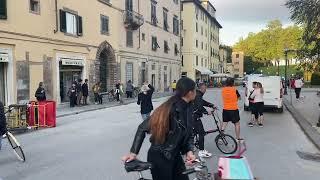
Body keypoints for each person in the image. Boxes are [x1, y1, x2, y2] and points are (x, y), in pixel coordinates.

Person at [122, 77, 197, 180]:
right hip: (160, 157)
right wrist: (133, 153)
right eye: (195, 90)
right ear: (189, 92)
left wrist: (189, 151)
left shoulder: (188, 108)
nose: (196, 92)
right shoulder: (168, 109)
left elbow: (188, 133)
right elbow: (142, 128)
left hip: (174, 156)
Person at [193, 83, 215, 158]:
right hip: (194, 117)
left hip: (192, 117)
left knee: (193, 133)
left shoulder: (197, 94)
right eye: (205, 89)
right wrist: (206, 112)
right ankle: (201, 151)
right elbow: (200, 106)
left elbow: (202, 102)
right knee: (201, 133)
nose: (205, 90)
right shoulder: (198, 95)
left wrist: (211, 105)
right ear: (201, 88)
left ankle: (191, 146)